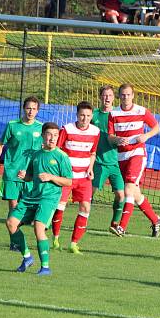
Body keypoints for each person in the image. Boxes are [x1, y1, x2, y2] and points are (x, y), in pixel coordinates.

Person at [6, 122, 73, 275]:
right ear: (43, 135)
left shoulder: (62, 157)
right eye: (49, 134)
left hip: (48, 198)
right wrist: (25, 176)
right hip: (31, 197)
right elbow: (31, 177)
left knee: (38, 227)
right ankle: (27, 257)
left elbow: (69, 181)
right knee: (11, 223)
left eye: (55, 135)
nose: (52, 138)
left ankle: (45, 267)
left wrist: (51, 177)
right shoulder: (36, 155)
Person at [107, 83, 160, 237]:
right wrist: (117, 140)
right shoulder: (113, 114)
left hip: (137, 153)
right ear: (119, 96)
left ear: (133, 95)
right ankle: (155, 220)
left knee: (128, 189)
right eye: (123, 95)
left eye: (128, 94)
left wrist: (146, 136)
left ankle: (122, 227)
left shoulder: (141, 111)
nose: (125, 97)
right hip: (121, 157)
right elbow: (110, 137)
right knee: (135, 194)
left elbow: (157, 127)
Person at [0, 97, 43, 252]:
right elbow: (0, 145)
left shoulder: (41, 128)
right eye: (28, 108)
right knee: (13, 206)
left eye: (34, 109)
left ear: (38, 111)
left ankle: (25, 233)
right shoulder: (12, 126)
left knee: (29, 207)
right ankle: (14, 242)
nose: (30, 111)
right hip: (12, 172)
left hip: (30, 175)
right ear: (23, 109)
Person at [50, 101, 100, 254]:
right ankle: (56, 239)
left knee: (85, 208)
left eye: (88, 116)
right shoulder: (67, 129)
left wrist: (90, 167)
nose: (85, 118)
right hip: (66, 177)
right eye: (82, 115)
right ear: (77, 115)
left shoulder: (95, 131)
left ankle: (74, 243)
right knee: (60, 206)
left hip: (84, 178)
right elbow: (57, 150)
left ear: (91, 116)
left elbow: (93, 152)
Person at [91, 85, 125, 234]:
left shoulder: (118, 115)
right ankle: (82, 220)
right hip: (98, 162)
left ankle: (114, 223)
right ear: (100, 97)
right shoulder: (93, 115)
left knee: (121, 195)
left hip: (114, 162)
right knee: (89, 193)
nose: (107, 98)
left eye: (110, 95)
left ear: (113, 98)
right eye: (104, 95)